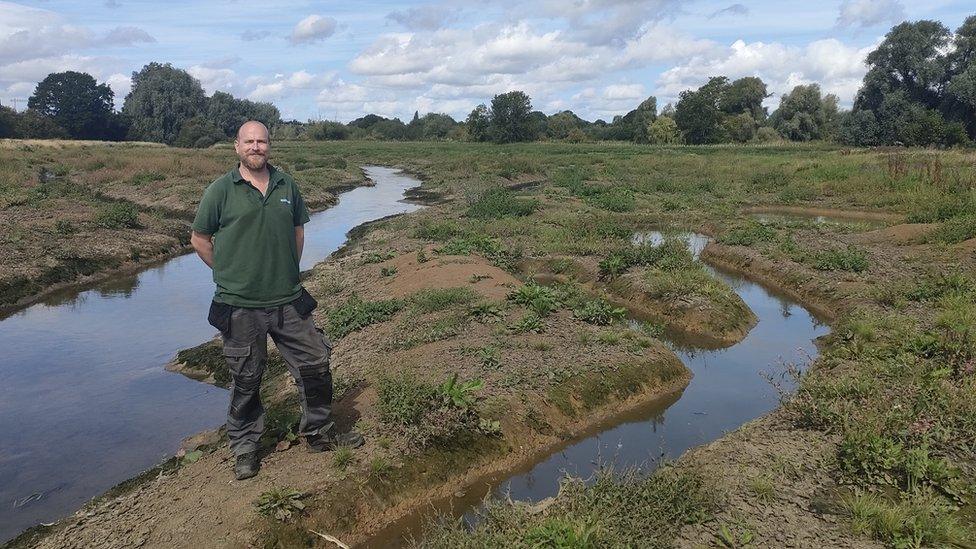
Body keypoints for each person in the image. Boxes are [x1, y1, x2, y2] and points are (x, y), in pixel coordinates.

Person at [190, 121, 362, 480]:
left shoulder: (287, 185)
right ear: (236, 146)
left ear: (270, 146)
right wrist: (228, 273)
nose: (256, 147)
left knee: (315, 364)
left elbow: (297, 232)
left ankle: (318, 432)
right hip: (239, 305)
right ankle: (246, 448)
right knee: (246, 378)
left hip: (288, 299)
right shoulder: (220, 190)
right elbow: (200, 238)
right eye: (249, 141)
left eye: (262, 141)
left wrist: (286, 271)